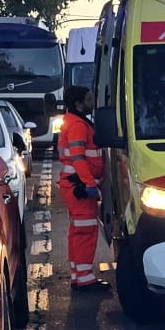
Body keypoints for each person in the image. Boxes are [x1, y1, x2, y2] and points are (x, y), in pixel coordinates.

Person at [57, 85, 107, 291]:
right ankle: (85, 278)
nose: (91, 103)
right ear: (77, 104)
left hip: (73, 184)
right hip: (79, 185)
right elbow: (79, 158)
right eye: (87, 100)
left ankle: (78, 274)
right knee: (86, 231)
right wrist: (89, 183)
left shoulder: (72, 122)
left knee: (77, 231)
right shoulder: (78, 125)